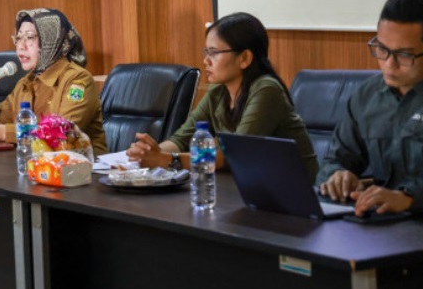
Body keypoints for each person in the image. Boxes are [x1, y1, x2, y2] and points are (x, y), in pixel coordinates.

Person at [126, 12, 318, 180]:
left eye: (214, 52)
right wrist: (150, 153)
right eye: (206, 51)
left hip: (294, 193)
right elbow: (182, 139)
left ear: (245, 58)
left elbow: (235, 154)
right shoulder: (218, 92)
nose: (205, 60)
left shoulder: (266, 90)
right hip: (250, 189)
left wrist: (167, 160)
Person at [316, 0, 423, 216]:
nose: (389, 65)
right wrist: (338, 175)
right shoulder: (367, 95)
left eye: (404, 55)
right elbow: (336, 159)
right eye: (382, 49)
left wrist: (409, 198)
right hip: (378, 221)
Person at [0, 8, 107, 155]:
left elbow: (63, 133)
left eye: (29, 37)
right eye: (18, 38)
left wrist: (4, 133)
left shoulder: (78, 80)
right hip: (36, 168)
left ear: (51, 40)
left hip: (81, 171)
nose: (21, 46)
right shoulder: (25, 84)